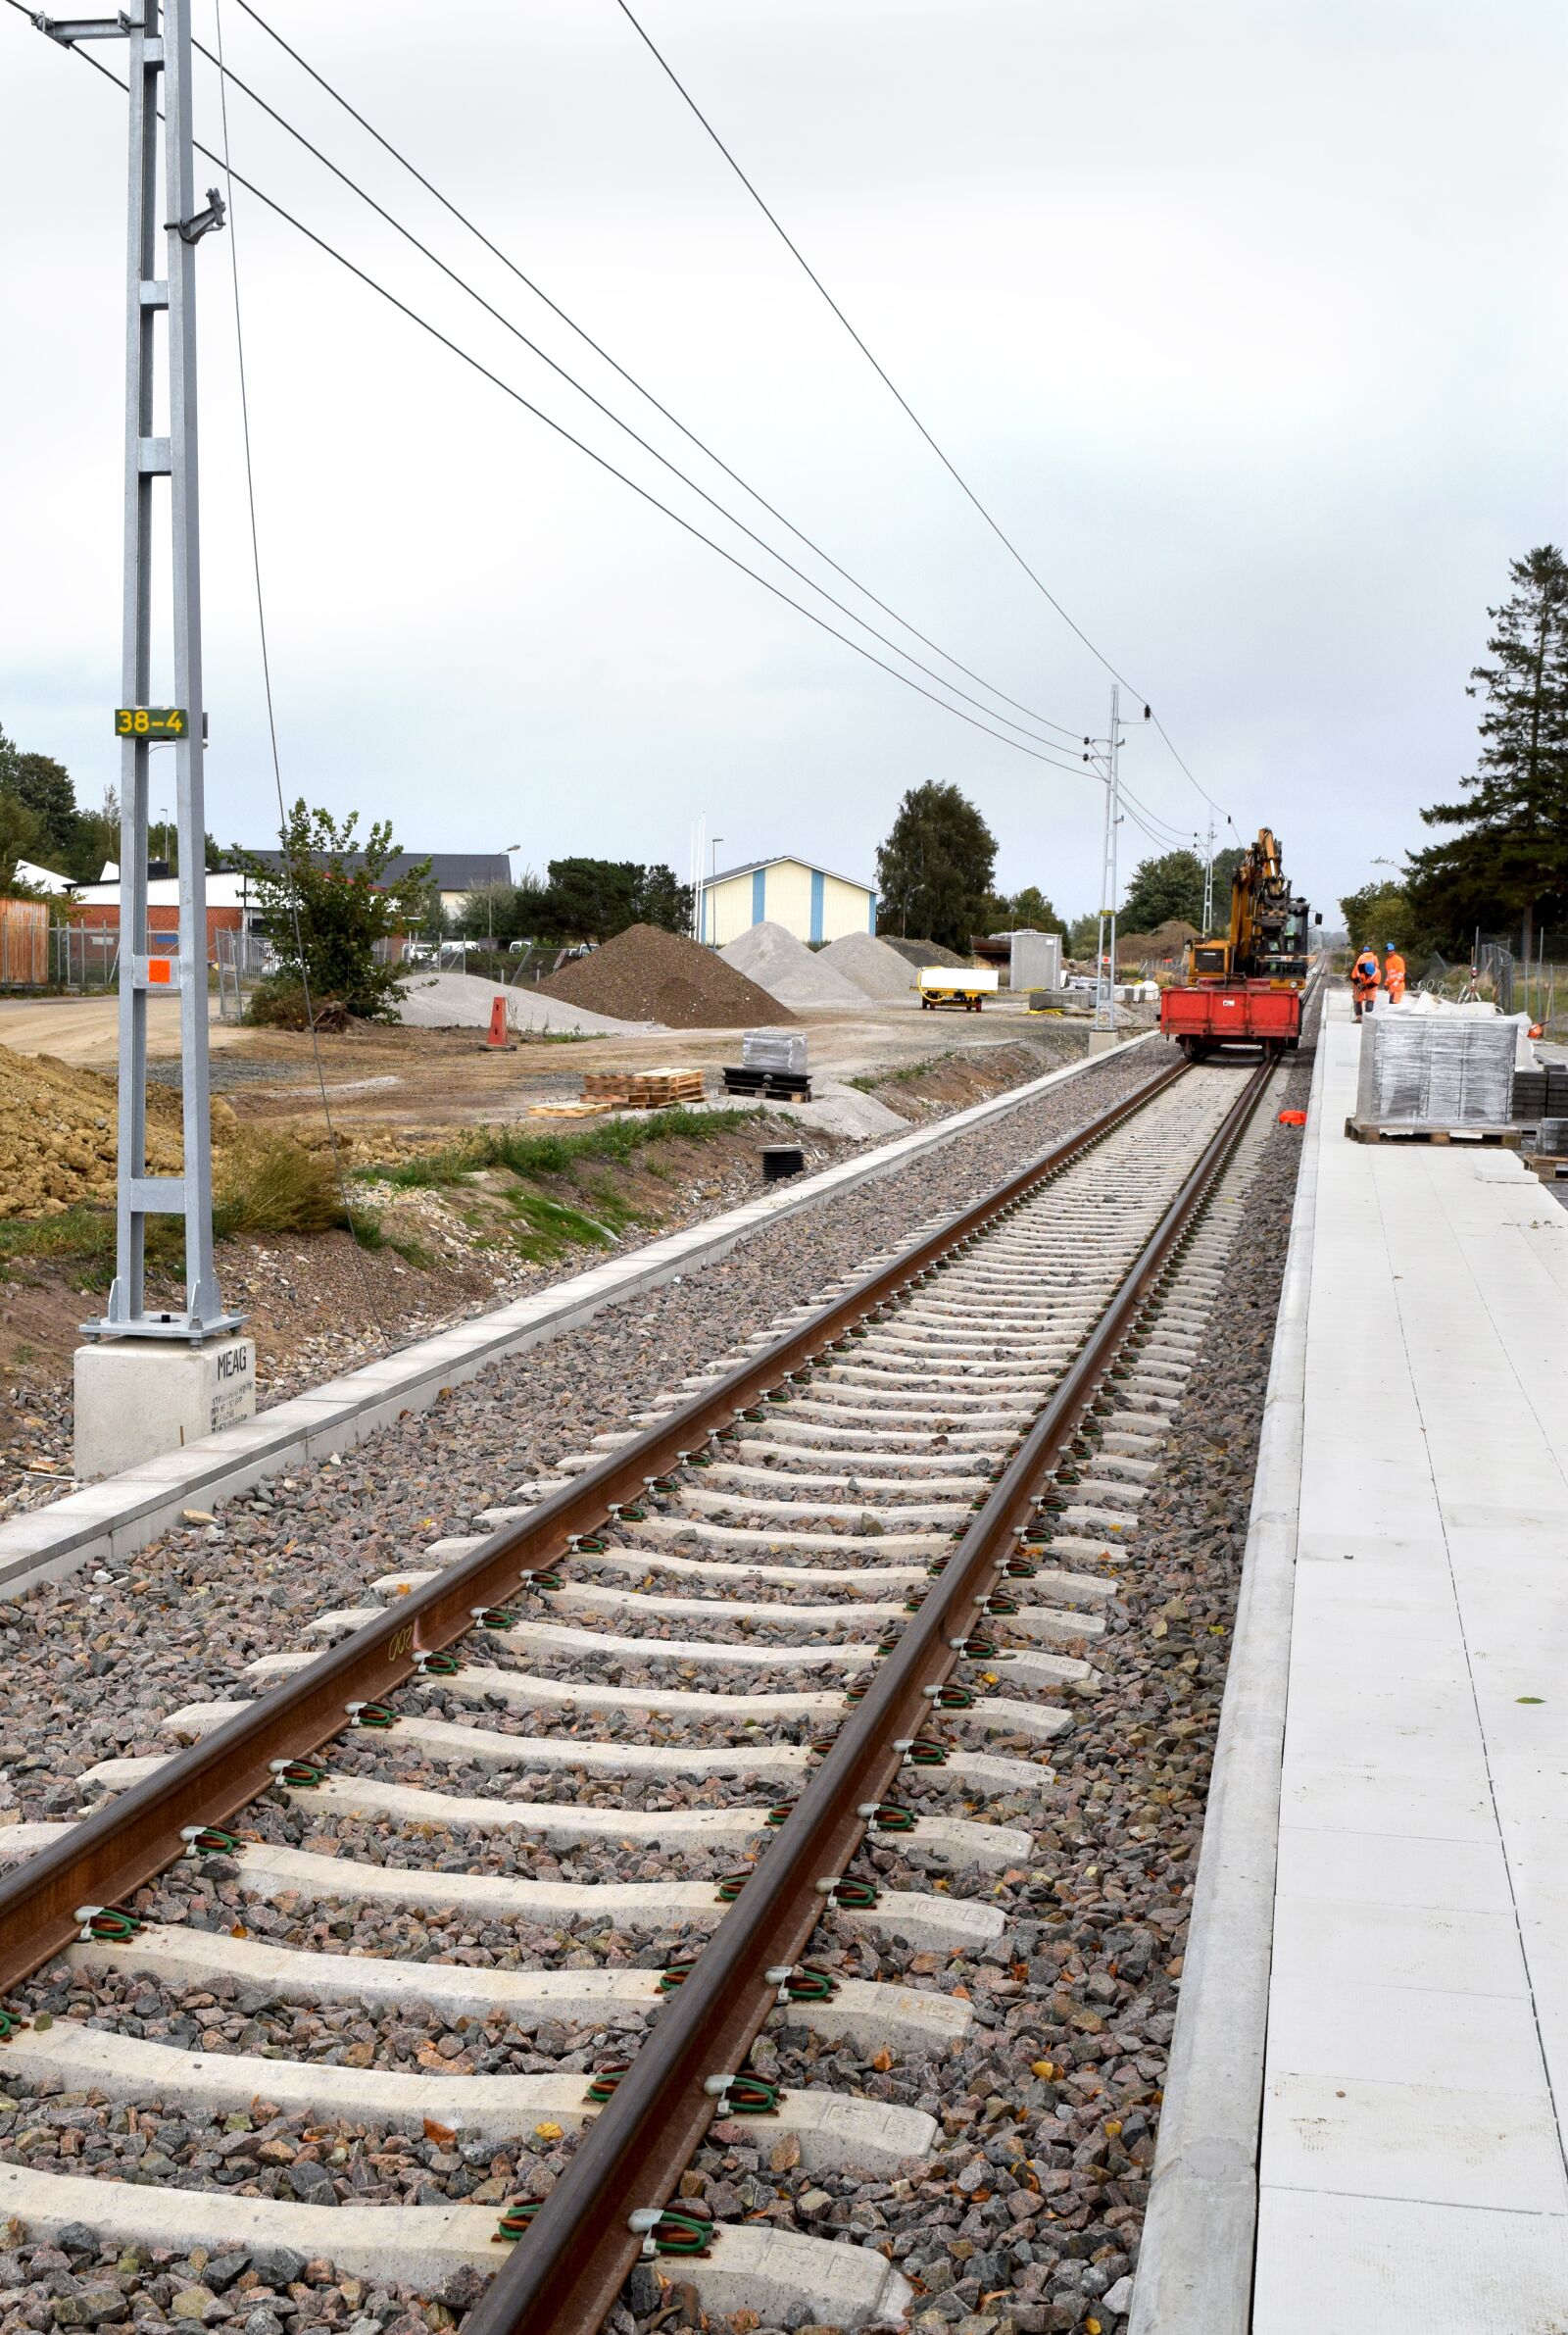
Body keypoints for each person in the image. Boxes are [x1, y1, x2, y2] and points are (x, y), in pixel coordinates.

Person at [1350, 944, 1380, 1020]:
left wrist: (1366, 986)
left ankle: (1360, 1017)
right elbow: (1354, 976)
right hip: (1360, 984)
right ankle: (1367, 1017)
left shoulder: (1377, 973)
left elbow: (1375, 983)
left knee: (1360, 999)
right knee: (1366, 998)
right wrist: (1359, 984)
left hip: (1369, 985)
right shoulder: (1359, 969)